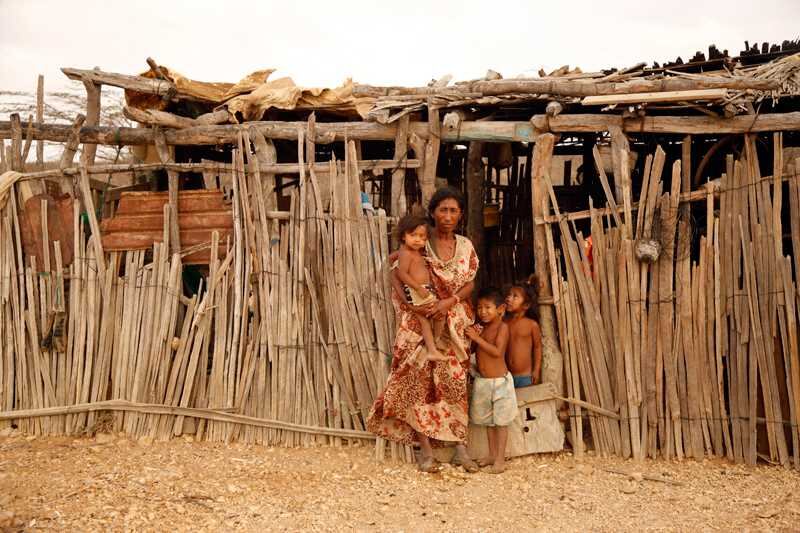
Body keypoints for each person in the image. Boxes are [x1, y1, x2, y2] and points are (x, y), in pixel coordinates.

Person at [367, 187, 479, 473]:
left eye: (454, 210)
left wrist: (449, 302)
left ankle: (459, 448)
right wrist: (411, 304)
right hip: (419, 323)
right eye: (443, 209)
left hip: (454, 326)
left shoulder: (465, 246)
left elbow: (470, 284)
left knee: (454, 385)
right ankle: (426, 452)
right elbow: (395, 271)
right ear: (433, 213)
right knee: (419, 385)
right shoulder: (419, 242)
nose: (448, 216)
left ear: (461, 214)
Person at [465, 287, 515, 474]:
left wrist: (476, 339)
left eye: (488, 308)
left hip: (500, 383)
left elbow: (497, 352)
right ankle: (492, 455)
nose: (483, 312)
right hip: (483, 382)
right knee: (487, 421)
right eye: (479, 308)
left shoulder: (503, 328)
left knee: (501, 422)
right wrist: (471, 340)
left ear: (501, 309)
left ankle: (500, 460)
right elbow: (472, 351)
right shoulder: (482, 329)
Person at [391, 214, 448, 364]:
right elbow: (401, 273)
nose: (418, 239)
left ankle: (432, 346)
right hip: (417, 291)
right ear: (403, 236)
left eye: (422, 237)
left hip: (423, 290)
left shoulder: (416, 252)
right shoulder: (405, 253)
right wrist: (417, 288)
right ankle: (433, 345)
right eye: (413, 235)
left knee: (429, 318)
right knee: (435, 314)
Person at [505, 275, 543, 389]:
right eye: (509, 295)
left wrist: (536, 370)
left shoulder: (531, 325)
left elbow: (537, 348)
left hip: (525, 376)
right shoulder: (504, 324)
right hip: (507, 376)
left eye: (515, 296)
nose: (509, 299)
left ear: (526, 305)